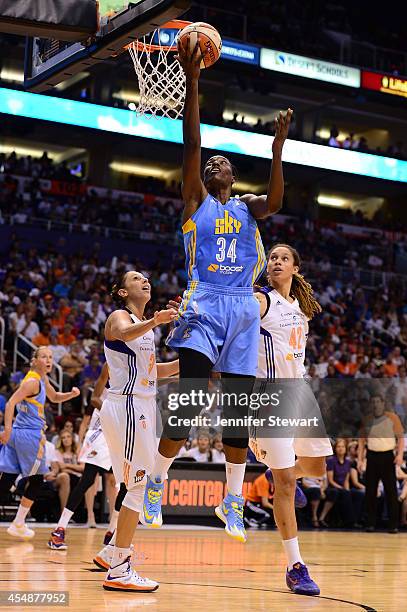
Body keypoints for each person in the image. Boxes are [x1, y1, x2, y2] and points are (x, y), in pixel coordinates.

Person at [142, 34, 292, 544]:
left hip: (243, 311)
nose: (214, 164)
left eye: (222, 162)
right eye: (210, 165)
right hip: (204, 302)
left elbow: (275, 198)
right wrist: (194, 80)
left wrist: (276, 151)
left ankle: (231, 501)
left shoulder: (249, 207)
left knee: (236, 415)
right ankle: (156, 487)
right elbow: (192, 144)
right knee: (185, 402)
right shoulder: (195, 203)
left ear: (234, 173)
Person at [250, 244, 332, 596]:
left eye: (283, 258)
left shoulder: (301, 308)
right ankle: (295, 566)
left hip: (299, 392)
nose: (276, 262)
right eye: (272, 258)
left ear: (296, 268)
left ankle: (276, 471)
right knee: (286, 485)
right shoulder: (260, 299)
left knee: (315, 469)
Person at [96, 271, 178, 592]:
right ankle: (119, 568)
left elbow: (152, 371)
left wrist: (193, 361)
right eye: (135, 279)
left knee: (134, 485)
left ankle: (110, 552)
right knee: (138, 487)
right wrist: (156, 321)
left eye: (146, 278)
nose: (145, 281)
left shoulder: (145, 328)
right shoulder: (120, 316)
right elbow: (122, 332)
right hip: (128, 405)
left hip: (140, 406)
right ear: (121, 291)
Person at [0, 346, 79, 539]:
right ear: (34, 360)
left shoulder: (41, 379)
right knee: (36, 481)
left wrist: (71, 394)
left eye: (50, 357)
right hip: (28, 436)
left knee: (7, 480)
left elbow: (54, 397)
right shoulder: (33, 382)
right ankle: (18, 523)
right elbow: (10, 403)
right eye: (43, 356)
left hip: (19, 434)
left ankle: (18, 523)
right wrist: (7, 429)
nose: (48, 360)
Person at [47, 363, 117, 550]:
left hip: (118, 439)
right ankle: (60, 529)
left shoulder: (131, 386)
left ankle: (112, 531)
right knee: (87, 481)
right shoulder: (104, 389)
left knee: (118, 483)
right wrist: (80, 445)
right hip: (99, 437)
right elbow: (87, 420)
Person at [358, 394, 404, 533]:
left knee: (391, 491)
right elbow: (361, 441)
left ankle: (393, 525)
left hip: (388, 456)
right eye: (373, 402)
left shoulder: (392, 417)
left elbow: (400, 438)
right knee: (370, 492)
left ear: (383, 403)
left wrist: (400, 454)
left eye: (378, 402)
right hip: (372, 456)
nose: (376, 404)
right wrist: (360, 459)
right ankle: (370, 524)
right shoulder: (367, 419)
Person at [319, 439, 363, 529]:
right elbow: (330, 480)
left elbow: (346, 480)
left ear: (345, 449)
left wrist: (346, 489)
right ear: (335, 449)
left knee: (358, 494)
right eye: (338, 447)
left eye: (342, 446)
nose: (340, 449)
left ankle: (357, 519)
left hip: (342, 488)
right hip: (331, 487)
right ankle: (350, 521)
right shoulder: (331, 461)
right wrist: (343, 489)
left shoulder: (348, 462)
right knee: (343, 493)